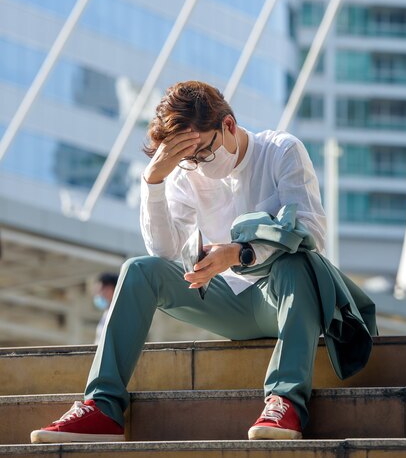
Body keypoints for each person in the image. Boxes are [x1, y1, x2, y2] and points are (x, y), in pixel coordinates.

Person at [30, 80, 374, 444]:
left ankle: (285, 401)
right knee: (139, 270)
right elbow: (162, 253)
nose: (197, 164)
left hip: (288, 298)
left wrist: (240, 253)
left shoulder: (281, 150)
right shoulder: (187, 174)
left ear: (228, 125)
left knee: (295, 263)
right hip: (230, 303)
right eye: (187, 157)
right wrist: (155, 181)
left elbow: (311, 232)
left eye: (203, 152)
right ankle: (102, 407)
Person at [93, 273, 119, 344]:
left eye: (100, 291)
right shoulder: (107, 312)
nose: (98, 295)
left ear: (111, 290)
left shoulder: (118, 314)